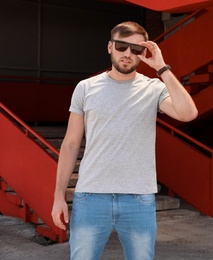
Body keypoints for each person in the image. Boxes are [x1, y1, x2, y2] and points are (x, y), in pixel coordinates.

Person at [51, 21, 198, 260]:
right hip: (90, 197)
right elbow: (70, 144)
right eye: (121, 46)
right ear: (110, 47)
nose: (127, 53)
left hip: (138, 199)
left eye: (136, 49)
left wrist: (162, 67)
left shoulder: (153, 88)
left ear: (143, 53)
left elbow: (187, 113)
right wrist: (59, 196)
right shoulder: (85, 88)